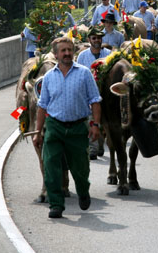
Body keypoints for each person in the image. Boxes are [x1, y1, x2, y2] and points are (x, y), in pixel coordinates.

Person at [32, 36, 102, 219]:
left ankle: (83, 191)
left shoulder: (84, 73)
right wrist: (38, 132)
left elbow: (95, 100)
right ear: (56, 55)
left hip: (78, 127)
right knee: (51, 165)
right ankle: (56, 204)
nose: (67, 53)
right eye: (63, 51)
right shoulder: (48, 77)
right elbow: (42, 106)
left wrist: (95, 124)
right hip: (54, 126)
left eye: (69, 50)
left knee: (80, 169)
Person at [76, 26, 111, 160]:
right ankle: (93, 147)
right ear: (89, 40)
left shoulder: (108, 54)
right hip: (88, 93)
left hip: (105, 93)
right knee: (91, 119)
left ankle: (101, 143)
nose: (97, 40)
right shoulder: (82, 56)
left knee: (102, 120)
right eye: (94, 38)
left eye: (99, 38)